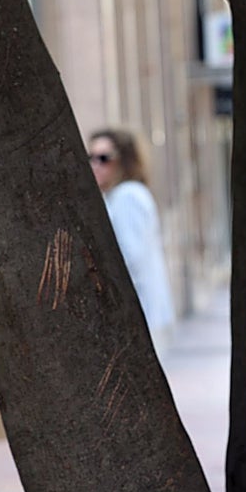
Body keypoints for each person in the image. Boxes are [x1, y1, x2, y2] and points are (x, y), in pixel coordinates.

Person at [88, 128, 176, 354]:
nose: (95, 165)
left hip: (138, 315)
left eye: (104, 158)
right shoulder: (118, 196)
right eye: (91, 157)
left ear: (123, 161)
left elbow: (129, 257)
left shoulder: (127, 196)